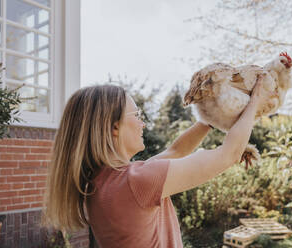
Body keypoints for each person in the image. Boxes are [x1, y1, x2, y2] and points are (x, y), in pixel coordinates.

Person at [42, 76, 275, 248]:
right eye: (137, 116)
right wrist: (254, 101)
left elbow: (175, 151)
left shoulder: (106, 181)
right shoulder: (139, 181)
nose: (143, 124)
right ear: (114, 127)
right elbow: (229, 154)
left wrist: (211, 118)